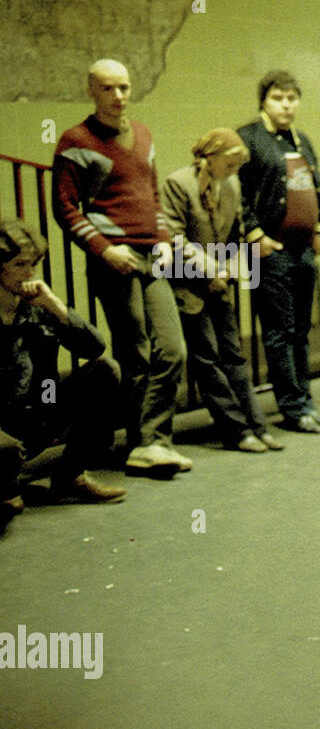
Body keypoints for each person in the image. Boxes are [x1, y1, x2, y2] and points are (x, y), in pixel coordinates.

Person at [52, 59, 187, 477]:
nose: (119, 96)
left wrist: (164, 243)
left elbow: (154, 196)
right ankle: (143, 443)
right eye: (108, 88)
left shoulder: (143, 134)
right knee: (137, 354)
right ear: (92, 91)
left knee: (173, 348)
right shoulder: (75, 139)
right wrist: (104, 250)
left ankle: (154, 441)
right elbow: (64, 207)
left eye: (124, 87)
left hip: (152, 256)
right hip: (115, 260)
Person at [160, 128, 284, 454]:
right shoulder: (177, 184)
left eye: (237, 166)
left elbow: (235, 235)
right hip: (188, 285)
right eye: (229, 164)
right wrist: (208, 269)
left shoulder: (230, 185)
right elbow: (173, 238)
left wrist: (226, 272)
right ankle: (235, 430)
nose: (234, 172)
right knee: (207, 360)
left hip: (219, 283)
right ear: (210, 157)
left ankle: (257, 425)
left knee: (234, 355)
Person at [1, 220, 126, 529]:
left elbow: (95, 346)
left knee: (106, 370)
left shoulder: (38, 308)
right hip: (3, 424)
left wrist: (55, 305)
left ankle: (70, 476)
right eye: (19, 264)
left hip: (40, 407)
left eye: (32, 265)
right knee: (8, 492)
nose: (29, 273)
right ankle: (4, 485)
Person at [238, 71, 320, 433]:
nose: (286, 104)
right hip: (267, 253)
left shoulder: (301, 140)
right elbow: (238, 196)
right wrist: (255, 235)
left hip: (302, 250)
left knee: (300, 330)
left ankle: (305, 400)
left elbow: (319, 186)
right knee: (278, 332)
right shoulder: (247, 139)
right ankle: (292, 408)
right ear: (264, 100)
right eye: (278, 98)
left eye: (292, 98)